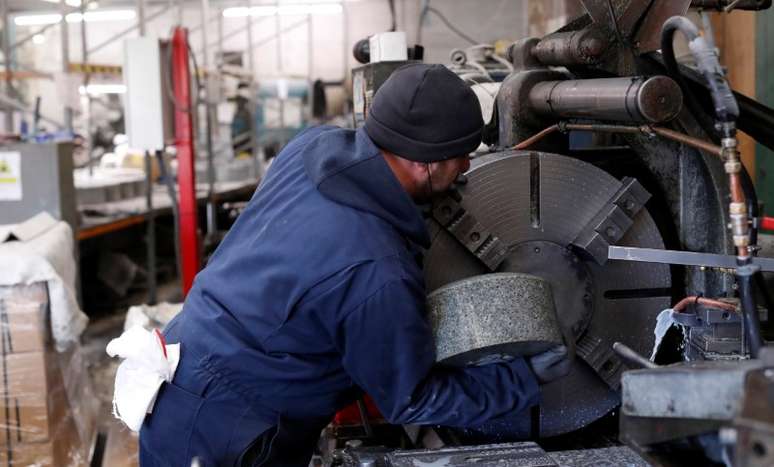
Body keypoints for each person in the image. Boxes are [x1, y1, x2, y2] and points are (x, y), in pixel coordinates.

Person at [139, 63, 570, 466]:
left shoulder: (310, 147)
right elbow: (413, 399)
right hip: (226, 434)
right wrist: (523, 376)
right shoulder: (377, 271)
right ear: (425, 164)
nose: (464, 169)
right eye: (460, 156)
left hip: (182, 365)